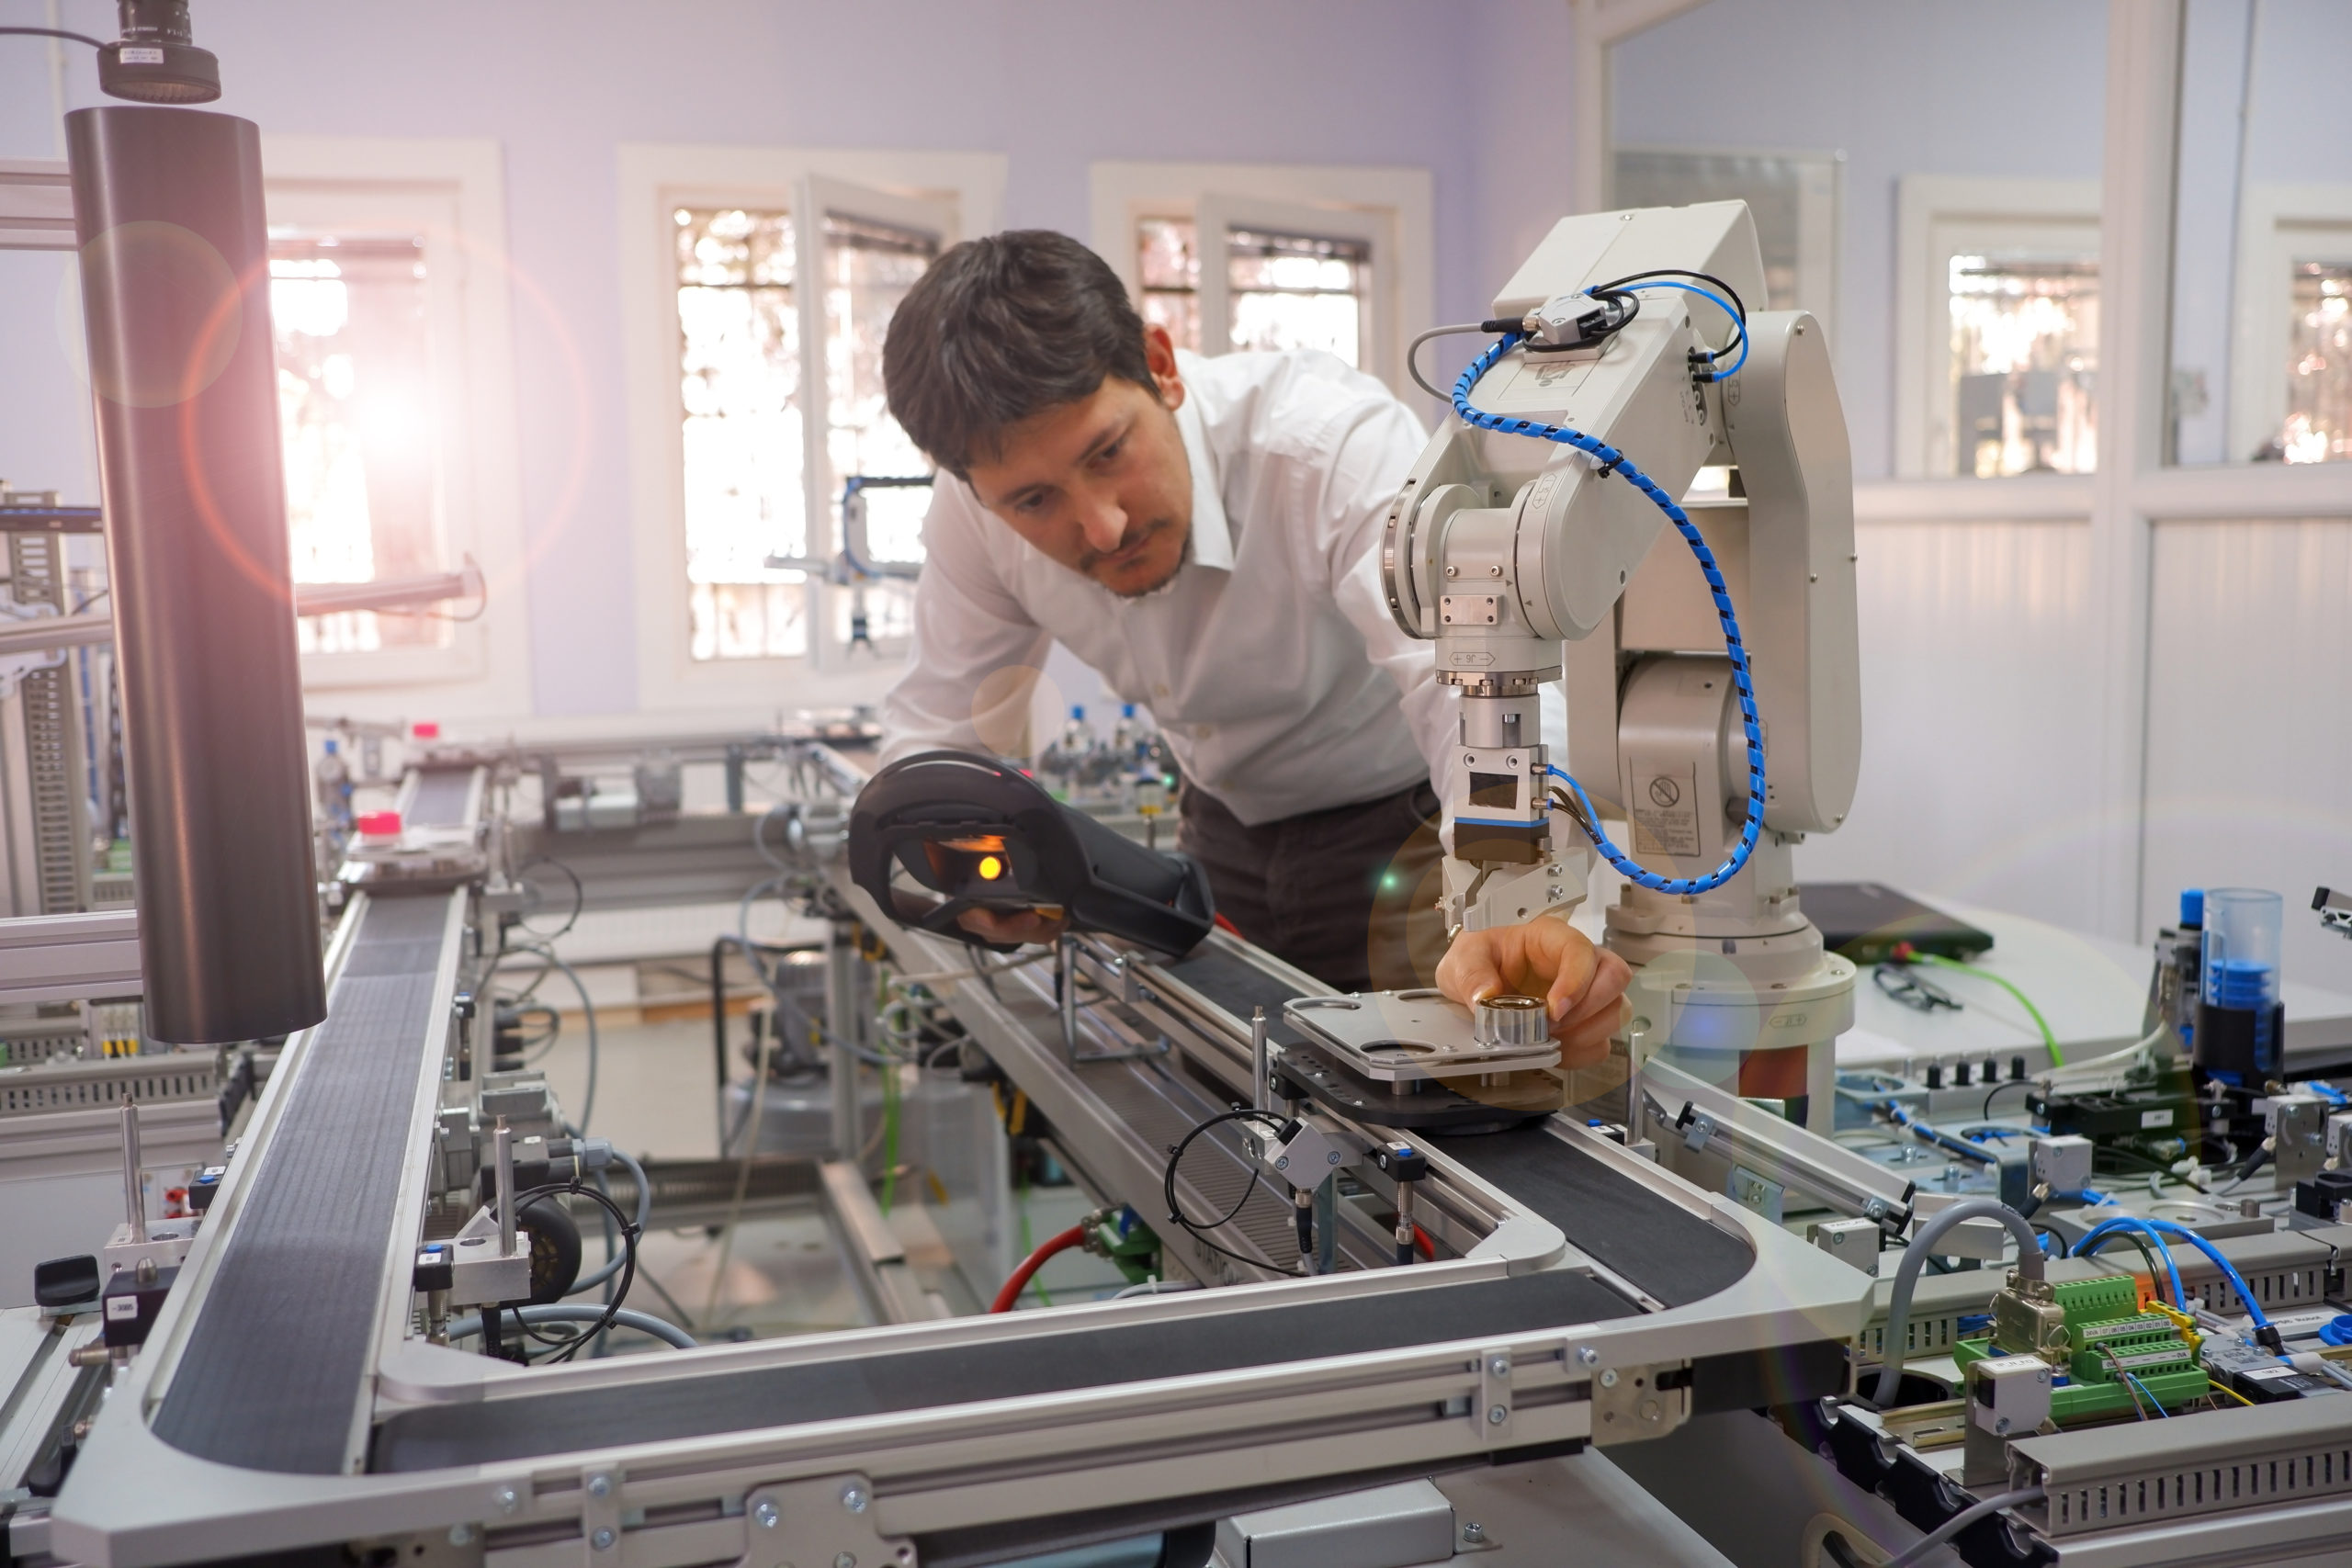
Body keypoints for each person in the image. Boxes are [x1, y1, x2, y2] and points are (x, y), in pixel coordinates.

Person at [876, 230, 1628, 1065]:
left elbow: (1468, 678)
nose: (1102, 525)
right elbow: (935, 729)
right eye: (1033, 501)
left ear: (1160, 364)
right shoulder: (972, 518)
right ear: (975, 491)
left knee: (1462, 1110)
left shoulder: (1325, 446)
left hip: (1409, 834)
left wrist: (1523, 894)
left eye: (1108, 453)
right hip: (1222, 834)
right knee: (1229, 1106)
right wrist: (955, 860)